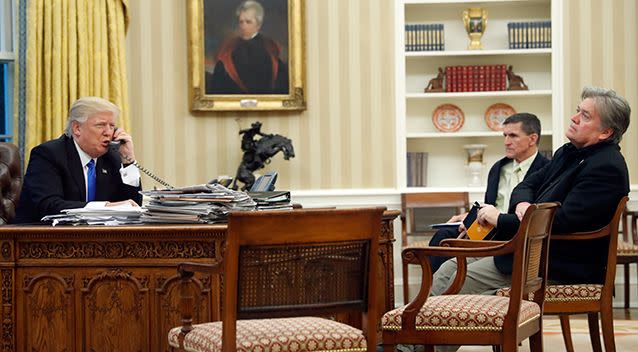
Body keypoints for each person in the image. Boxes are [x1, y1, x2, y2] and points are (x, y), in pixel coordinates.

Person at [431, 87, 631, 302]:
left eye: (585, 116)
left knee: (458, 280)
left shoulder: (606, 166)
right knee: (446, 269)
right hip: (529, 249)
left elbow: (562, 222)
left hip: (558, 263)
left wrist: (500, 219)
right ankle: (424, 332)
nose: (573, 118)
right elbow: (526, 184)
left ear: (605, 132)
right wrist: (523, 205)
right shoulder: (567, 152)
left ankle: (439, 331)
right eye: (577, 111)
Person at [428, 113, 549, 273]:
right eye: (504, 135)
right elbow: (490, 205)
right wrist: (470, 217)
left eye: (513, 136)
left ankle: (450, 292)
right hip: (488, 228)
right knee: (444, 236)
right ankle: (436, 294)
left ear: (532, 139)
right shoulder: (498, 168)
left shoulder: (547, 170)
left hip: (516, 231)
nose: (506, 142)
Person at [14, 97, 143, 223]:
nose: (108, 132)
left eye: (112, 126)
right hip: (41, 238)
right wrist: (104, 207)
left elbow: (134, 205)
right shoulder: (48, 154)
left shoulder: (112, 157)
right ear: (77, 129)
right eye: (101, 125)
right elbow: (49, 205)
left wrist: (129, 161)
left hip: (96, 239)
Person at [206, 0, 289, 95]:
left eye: (248, 22)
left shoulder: (271, 49)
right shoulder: (229, 49)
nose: (243, 26)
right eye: (241, 22)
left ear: (258, 25)